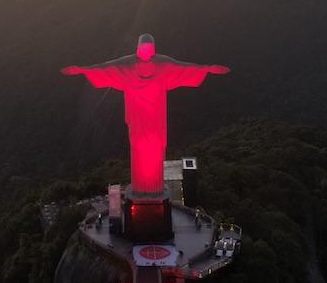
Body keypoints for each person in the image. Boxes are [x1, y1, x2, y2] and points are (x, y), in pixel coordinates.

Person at [62, 34, 229, 194]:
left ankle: (154, 187)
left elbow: (183, 68)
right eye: (144, 47)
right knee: (139, 149)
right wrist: (83, 70)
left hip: (155, 118)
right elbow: (107, 68)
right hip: (137, 118)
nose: (147, 51)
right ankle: (141, 187)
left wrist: (207, 69)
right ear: (138, 48)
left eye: (150, 48)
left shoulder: (163, 65)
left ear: (154, 49)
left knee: (156, 150)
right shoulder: (127, 66)